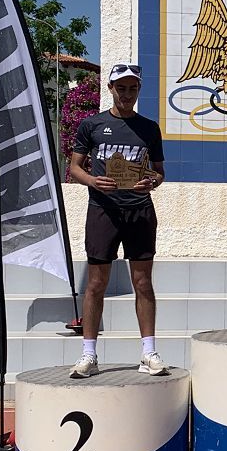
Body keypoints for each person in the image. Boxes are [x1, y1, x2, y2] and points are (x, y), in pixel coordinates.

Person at [68, 63, 167, 378]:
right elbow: (75, 168)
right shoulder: (92, 125)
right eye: (121, 88)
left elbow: (160, 173)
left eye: (133, 88)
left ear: (139, 90)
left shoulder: (149, 128)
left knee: (143, 283)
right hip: (103, 210)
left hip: (139, 211)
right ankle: (88, 355)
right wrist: (94, 182)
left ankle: (148, 353)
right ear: (110, 88)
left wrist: (150, 180)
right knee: (96, 284)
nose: (127, 94)